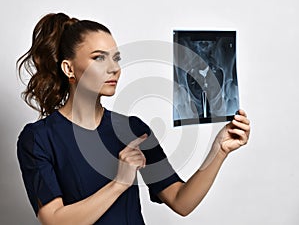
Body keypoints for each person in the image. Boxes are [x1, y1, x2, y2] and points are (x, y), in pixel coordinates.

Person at [16, 12, 250, 225]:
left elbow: (181, 202)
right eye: (99, 58)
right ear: (69, 69)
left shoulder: (133, 129)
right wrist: (120, 182)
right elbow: (54, 220)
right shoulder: (38, 138)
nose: (114, 68)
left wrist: (219, 151)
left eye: (116, 58)